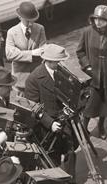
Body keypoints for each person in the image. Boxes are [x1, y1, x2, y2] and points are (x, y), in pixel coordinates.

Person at [25, 43, 76, 176]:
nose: (60, 63)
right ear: (49, 61)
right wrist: (49, 122)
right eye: (57, 61)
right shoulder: (34, 78)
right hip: (47, 125)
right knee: (53, 155)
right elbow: (32, 106)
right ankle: (57, 182)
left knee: (70, 150)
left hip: (66, 119)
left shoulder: (63, 72)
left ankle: (71, 180)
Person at [76, 4, 107, 139]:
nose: (98, 22)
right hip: (94, 76)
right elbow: (80, 51)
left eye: (101, 19)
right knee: (90, 104)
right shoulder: (87, 32)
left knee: (105, 105)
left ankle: (101, 127)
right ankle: (84, 129)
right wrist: (87, 66)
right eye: (96, 19)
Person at [5, 1, 46, 96]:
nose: (31, 23)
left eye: (33, 20)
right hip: (20, 81)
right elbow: (10, 54)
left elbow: (43, 50)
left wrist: (21, 54)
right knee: (22, 107)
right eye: (28, 20)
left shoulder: (40, 29)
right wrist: (32, 53)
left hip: (37, 78)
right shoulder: (11, 32)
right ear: (20, 17)